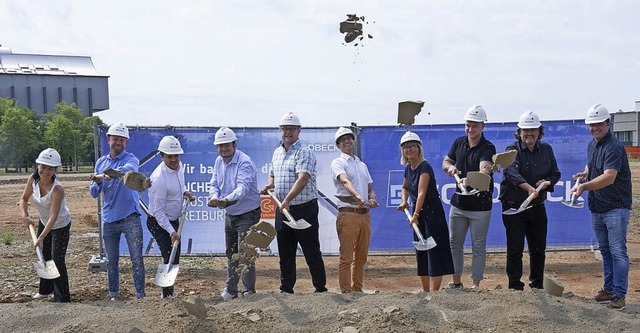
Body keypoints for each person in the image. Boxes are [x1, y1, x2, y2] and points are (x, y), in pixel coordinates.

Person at [260, 112, 327, 294]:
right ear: (280, 131)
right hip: (282, 209)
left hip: (304, 209)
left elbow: (303, 178)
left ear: (298, 131)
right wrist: (270, 184)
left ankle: (320, 288)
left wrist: (287, 200)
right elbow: (273, 174)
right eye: (284, 129)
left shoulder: (304, 152)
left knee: (311, 250)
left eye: (291, 129)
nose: (287, 132)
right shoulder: (277, 152)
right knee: (285, 252)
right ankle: (286, 288)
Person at [573, 104, 632, 310]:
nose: (594, 128)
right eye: (591, 125)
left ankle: (619, 294)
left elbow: (609, 177)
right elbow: (593, 165)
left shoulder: (614, 146)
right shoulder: (593, 144)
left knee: (618, 251)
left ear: (608, 123)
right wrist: (585, 173)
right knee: (606, 251)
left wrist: (583, 186)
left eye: (598, 124)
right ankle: (608, 289)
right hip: (598, 207)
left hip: (616, 207)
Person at [499, 111, 560, 291]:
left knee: (538, 249)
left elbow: (555, 173)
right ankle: (515, 286)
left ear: (539, 131)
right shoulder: (511, 150)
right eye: (525, 130)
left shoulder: (547, 150)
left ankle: (537, 285)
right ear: (519, 132)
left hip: (537, 206)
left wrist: (548, 182)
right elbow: (511, 173)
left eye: (533, 129)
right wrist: (528, 188)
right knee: (515, 249)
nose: (529, 133)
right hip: (514, 207)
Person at [441, 105, 496, 289]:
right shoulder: (459, 142)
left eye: (474, 126)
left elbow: (484, 172)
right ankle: (456, 282)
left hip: (480, 207)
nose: (470, 129)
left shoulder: (488, 147)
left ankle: (476, 285)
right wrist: (451, 168)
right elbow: (446, 161)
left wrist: (469, 179)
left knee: (478, 246)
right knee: (454, 243)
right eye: (467, 125)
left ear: (482, 126)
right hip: (458, 205)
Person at [89, 123, 145, 300]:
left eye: (121, 139)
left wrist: (103, 176)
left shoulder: (132, 159)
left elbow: (128, 172)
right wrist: (97, 182)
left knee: (136, 260)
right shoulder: (100, 163)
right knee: (111, 262)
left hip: (130, 217)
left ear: (126, 142)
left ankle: (140, 296)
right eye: (115, 139)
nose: (118, 142)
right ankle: (113, 295)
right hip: (109, 219)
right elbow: (93, 193)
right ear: (108, 140)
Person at [207, 127, 262, 301]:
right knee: (231, 253)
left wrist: (226, 200)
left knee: (245, 253)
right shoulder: (218, 161)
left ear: (234, 144)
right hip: (230, 215)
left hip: (247, 214)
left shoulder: (244, 162)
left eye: (226, 145)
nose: (223, 149)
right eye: (220, 146)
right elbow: (214, 183)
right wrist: (214, 197)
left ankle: (248, 291)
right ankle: (231, 290)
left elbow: (242, 188)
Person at [397, 131, 454, 292]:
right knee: (422, 252)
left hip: (432, 213)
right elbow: (405, 187)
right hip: (418, 212)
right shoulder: (408, 168)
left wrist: (415, 215)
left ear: (419, 148)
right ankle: (425, 291)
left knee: (434, 252)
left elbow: (421, 192)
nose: (409, 150)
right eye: (406, 147)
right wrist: (403, 201)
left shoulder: (425, 166)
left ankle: (435, 292)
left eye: (412, 146)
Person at [330, 127, 379, 294]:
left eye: (349, 138)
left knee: (361, 257)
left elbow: (370, 188)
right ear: (338, 145)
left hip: (365, 215)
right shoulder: (338, 163)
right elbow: (344, 181)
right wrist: (358, 196)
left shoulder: (362, 165)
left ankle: (357, 290)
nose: (347, 141)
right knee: (346, 257)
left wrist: (371, 198)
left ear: (353, 140)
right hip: (348, 214)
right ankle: (346, 292)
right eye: (342, 140)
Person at [18, 148, 71, 302]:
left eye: (50, 168)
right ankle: (45, 289)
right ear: (38, 166)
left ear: (55, 170)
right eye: (43, 166)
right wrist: (25, 216)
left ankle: (62, 297)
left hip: (60, 224)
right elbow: (23, 199)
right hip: (43, 221)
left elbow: (53, 216)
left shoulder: (57, 190)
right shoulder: (32, 180)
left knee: (57, 259)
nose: (46, 171)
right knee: (44, 256)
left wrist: (41, 237)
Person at [147, 136, 195, 299]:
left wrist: (185, 192)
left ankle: (169, 291)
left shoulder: (179, 167)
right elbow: (159, 212)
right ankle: (166, 296)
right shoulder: (158, 179)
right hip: (157, 222)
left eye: (176, 155)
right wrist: (171, 231)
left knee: (175, 258)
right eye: (170, 156)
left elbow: (179, 186)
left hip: (173, 219)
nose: (174, 159)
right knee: (169, 256)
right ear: (162, 156)